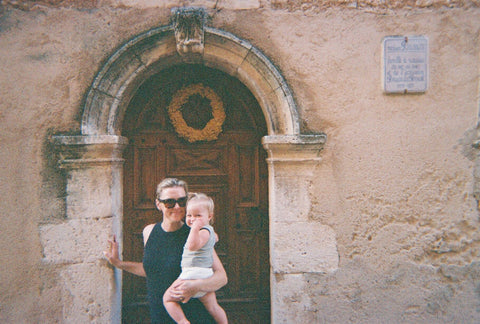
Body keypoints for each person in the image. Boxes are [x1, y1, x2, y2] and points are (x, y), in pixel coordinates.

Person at [104, 178, 227, 324]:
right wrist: (119, 263)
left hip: (194, 318)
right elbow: (153, 269)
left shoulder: (196, 235)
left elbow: (221, 277)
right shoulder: (149, 232)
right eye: (169, 202)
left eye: (181, 202)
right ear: (158, 204)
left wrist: (195, 286)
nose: (176, 207)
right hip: (160, 316)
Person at [163, 193, 228, 324]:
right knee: (213, 307)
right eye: (189, 215)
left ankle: (182, 321)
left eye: (198, 216)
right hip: (204, 274)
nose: (192, 219)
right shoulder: (209, 231)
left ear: (209, 217)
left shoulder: (201, 231)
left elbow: (192, 246)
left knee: (167, 299)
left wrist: (194, 229)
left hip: (192, 274)